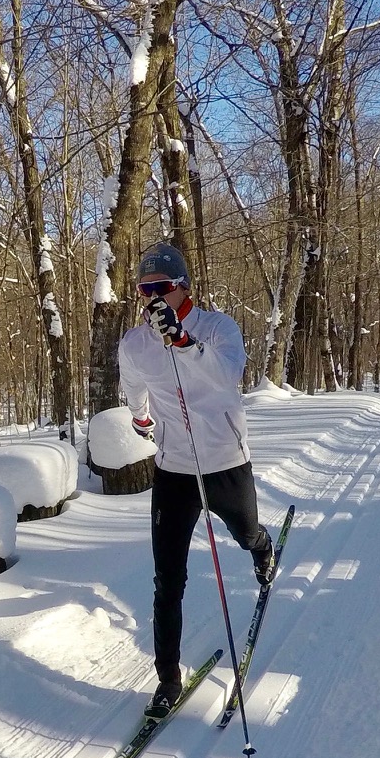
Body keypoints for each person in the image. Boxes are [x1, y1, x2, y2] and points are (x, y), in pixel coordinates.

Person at [119, 240, 274, 717]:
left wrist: (185, 345)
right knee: (168, 578)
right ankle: (168, 678)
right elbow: (134, 387)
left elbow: (227, 376)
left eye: (162, 288)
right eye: (145, 289)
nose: (153, 298)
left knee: (245, 532)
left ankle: (263, 547)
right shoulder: (136, 343)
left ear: (184, 287)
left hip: (226, 460)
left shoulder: (217, 327)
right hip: (175, 470)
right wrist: (141, 419)